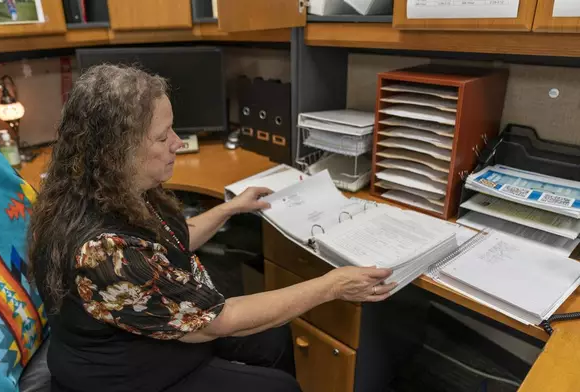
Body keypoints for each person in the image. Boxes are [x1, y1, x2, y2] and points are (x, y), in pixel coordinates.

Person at [28, 64, 397, 392]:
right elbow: (221, 320)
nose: (177, 143)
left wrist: (229, 209)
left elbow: (172, 240)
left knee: (274, 338)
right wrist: (333, 285)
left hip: (153, 322)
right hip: (122, 371)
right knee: (279, 387)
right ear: (116, 151)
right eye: (162, 136)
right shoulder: (104, 252)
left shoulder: (111, 187)